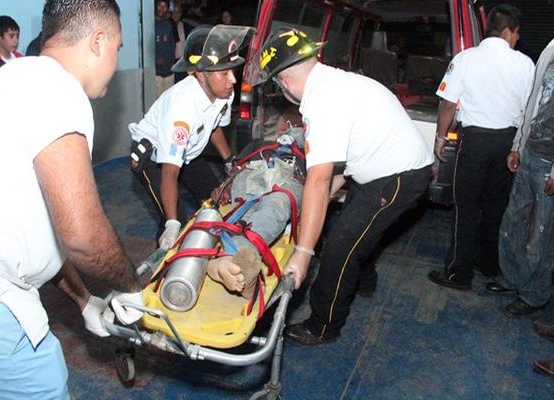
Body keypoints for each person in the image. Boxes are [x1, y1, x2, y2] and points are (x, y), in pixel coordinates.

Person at [0, 1, 145, 398]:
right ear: (98, 42)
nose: (116, 59)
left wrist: (84, 301)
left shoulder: (8, 84)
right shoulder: (59, 90)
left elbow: (39, 230)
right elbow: (81, 235)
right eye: (118, 47)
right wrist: (131, 286)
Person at [249, 28, 433, 345]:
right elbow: (345, 160)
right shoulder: (336, 81)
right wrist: (318, 201)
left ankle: (323, 325)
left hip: (400, 176)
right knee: (355, 227)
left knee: (339, 246)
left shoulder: (323, 101)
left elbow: (318, 180)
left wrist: (303, 252)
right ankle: (362, 279)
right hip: (380, 167)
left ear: (286, 82)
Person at [427, 5, 535, 291]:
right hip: (508, 145)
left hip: (474, 143)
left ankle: (458, 273)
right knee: (496, 207)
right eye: (516, 33)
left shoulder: (466, 59)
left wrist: (440, 138)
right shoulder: (525, 64)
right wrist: (518, 148)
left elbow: (448, 103)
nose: (517, 38)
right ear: (508, 32)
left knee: (466, 208)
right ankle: (488, 263)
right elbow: (530, 110)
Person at [129, 24, 253, 250]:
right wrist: (173, 223)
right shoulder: (181, 109)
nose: (232, 80)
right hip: (154, 158)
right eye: (224, 73)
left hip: (189, 150)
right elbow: (170, 171)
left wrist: (228, 161)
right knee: (175, 222)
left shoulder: (224, 92)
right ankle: (165, 266)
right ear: (200, 73)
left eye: (232, 71)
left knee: (216, 201)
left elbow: (214, 126)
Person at [485, 38, 554, 318]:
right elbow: (534, 99)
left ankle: (535, 294)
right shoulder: (550, 47)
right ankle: (513, 277)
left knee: (543, 233)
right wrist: (517, 145)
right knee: (514, 219)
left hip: (550, 163)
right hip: (529, 153)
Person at [207, 126, 305, 298]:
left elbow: (320, 183)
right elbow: (237, 168)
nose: (293, 134)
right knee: (243, 207)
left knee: (276, 206)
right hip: (254, 172)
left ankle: (233, 257)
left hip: (290, 178)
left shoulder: (313, 153)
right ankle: (239, 260)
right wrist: (225, 186)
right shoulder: (260, 145)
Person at [155, 0, 176, 99]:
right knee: (157, 104)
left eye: (164, 7)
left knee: (168, 103)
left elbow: (172, 46)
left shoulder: (168, 25)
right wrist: (155, 60)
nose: (162, 9)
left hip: (169, 72)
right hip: (155, 74)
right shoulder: (149, 25)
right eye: (160, 6)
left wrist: (171, 63)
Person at [172, 3, 189, 82]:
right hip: (172, 63)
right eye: (174, 12)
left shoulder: (185, 26)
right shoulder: (168, 26)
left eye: (178, 12)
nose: (176, 14)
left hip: (184, 62)